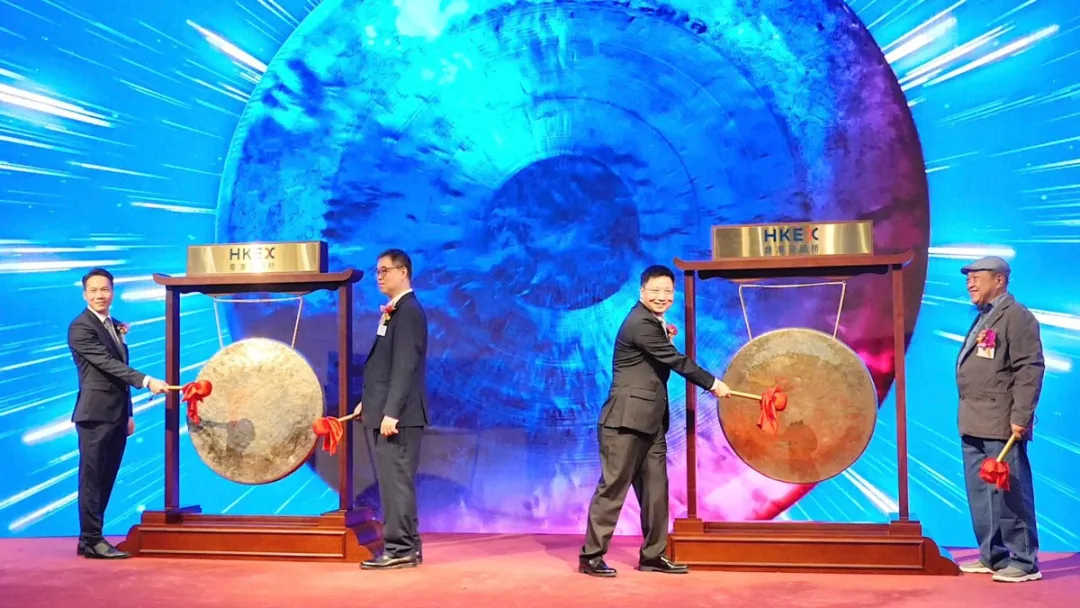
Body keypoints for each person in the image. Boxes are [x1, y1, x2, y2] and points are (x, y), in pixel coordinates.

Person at [579, 265, 731, 577]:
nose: (662, 297)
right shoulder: (640, 322)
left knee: (656, 491)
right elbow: (675, 361)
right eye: (655, 290)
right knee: (613, 488)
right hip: (625, 421)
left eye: (668, 291)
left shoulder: (653, 322)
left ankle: (653, 556)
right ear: (642, 292)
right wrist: (713, 384)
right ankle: (591, 556)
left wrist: (667, 336)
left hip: (651, 422)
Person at [955, 256, 1043, 583]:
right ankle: (992, 555)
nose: (970, 283)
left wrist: (1021, 416)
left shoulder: (1016, 317)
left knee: (1010, 492)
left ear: (999, 280)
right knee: (981, 493)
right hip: (973, 419)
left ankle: (1024, 561)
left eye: (977, 277)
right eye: (968, 278)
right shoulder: (984, 316)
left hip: (1002, 422)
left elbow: (1029, 369)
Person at [68, 267, 167, 559]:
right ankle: (93, 539)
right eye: (94, 290)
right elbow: (108, 365)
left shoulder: (113, 325)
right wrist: (146, 381)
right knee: (92, 479)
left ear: (112, 292)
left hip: (117, 414)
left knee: (107, 477)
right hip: (95, 414)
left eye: (105, 289)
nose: (100, 295)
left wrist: (129, 413)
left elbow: (118, 373)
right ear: (84, 294)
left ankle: (88, 538)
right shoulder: (80, 327)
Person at [353, 249, 429, 570]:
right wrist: (369, 402)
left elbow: (405, 366)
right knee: (396, 482)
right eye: (377, 271)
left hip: (400, 417)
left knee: (395, 483)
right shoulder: (395, 311)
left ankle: (399, 549)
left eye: (385, 270)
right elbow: (384, 367)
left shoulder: (408, 311)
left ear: (403, 272)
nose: (379, 277)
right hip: (386, 409)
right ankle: (409, 546)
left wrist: (392, 412)